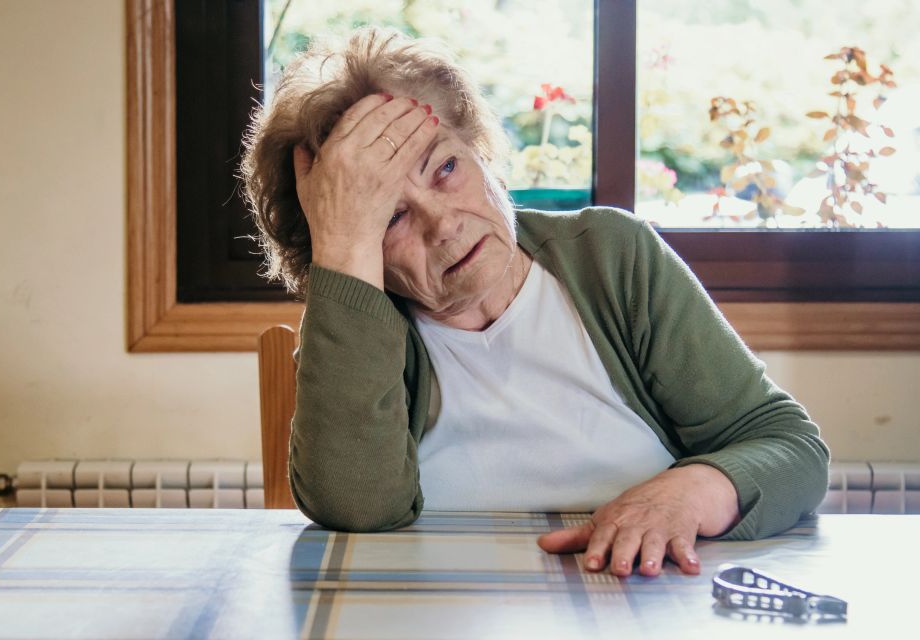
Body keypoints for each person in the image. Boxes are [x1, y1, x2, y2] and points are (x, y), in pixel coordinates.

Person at [241, 27, 829, 577]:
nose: (443, 225)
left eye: (446, 167)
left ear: (482, 152)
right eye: (390, 215)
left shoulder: (611, 258)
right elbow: (356, 509)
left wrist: (691, 490)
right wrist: (344, 245)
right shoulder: (356, 326)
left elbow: (791, 448)